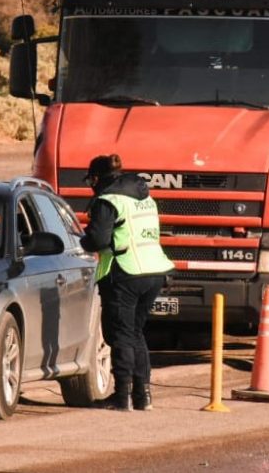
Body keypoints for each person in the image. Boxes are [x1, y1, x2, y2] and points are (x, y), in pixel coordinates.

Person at [79, 154, 174, 411]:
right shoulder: (144, 196)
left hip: (125, 271)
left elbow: (97, 240)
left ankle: (121, 396)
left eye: (91, 179)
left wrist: (82, 240)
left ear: (97, 178)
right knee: (134, 332)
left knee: (119, 334)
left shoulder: (108, 200)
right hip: (154, 271)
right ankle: (143, 396)